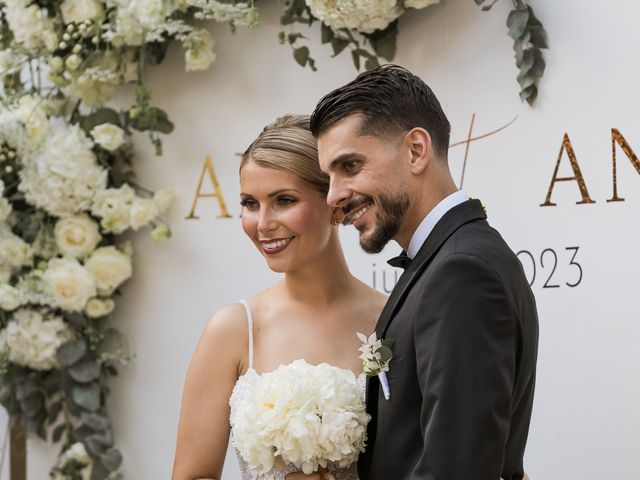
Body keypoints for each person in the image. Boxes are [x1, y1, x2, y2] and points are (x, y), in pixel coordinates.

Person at [310, 65, 539, 480]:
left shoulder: (462, 272)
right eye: (329, 176)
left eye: (350, 166)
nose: (334, 196)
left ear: (416, 150)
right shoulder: (448, 259)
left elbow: (457, 469)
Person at [172, 115, 386, 480]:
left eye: (284, 200)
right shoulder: (234, 329)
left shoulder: (393, 317)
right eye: (250, 203)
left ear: (335, 203)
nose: (262, 223)